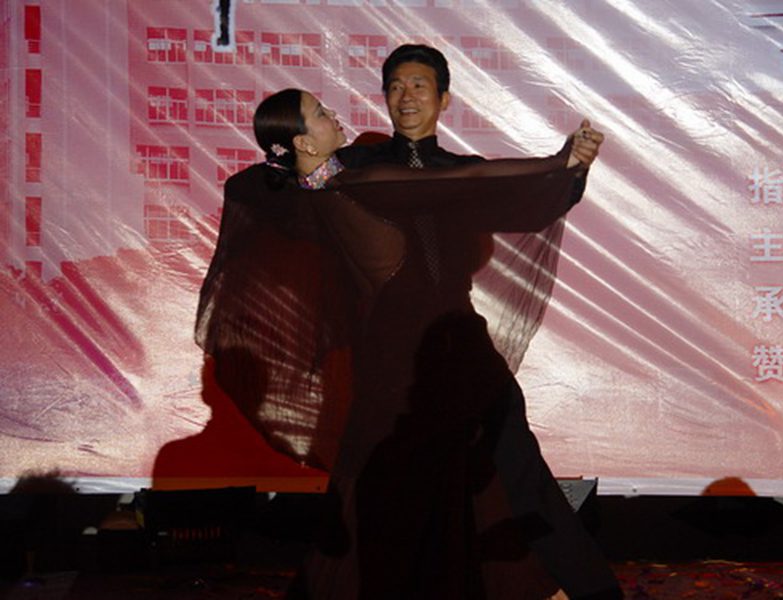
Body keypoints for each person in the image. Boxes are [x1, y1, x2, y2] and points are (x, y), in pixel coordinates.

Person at [196, 87, 602, 599]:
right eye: (320, 114)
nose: (333, 116)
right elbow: (463, 180)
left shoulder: (305, 196)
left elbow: (247, 185)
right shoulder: (358, 184)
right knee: (455, 484)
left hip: (389, 363)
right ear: (303, 142)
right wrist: (558, 162)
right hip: (427, 360)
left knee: (403, 492)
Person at [334, 44, 622, 600]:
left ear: (444, 99)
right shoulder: (358, 166)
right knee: (397, 477)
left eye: (419, 85)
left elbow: (530, 202)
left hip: (455, 335)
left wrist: (571, 168)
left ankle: (579, 587)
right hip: (390, 346)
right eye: (395, 85)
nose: (407, 96)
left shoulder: (462, 172)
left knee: (513, 456)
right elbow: (301, 189)